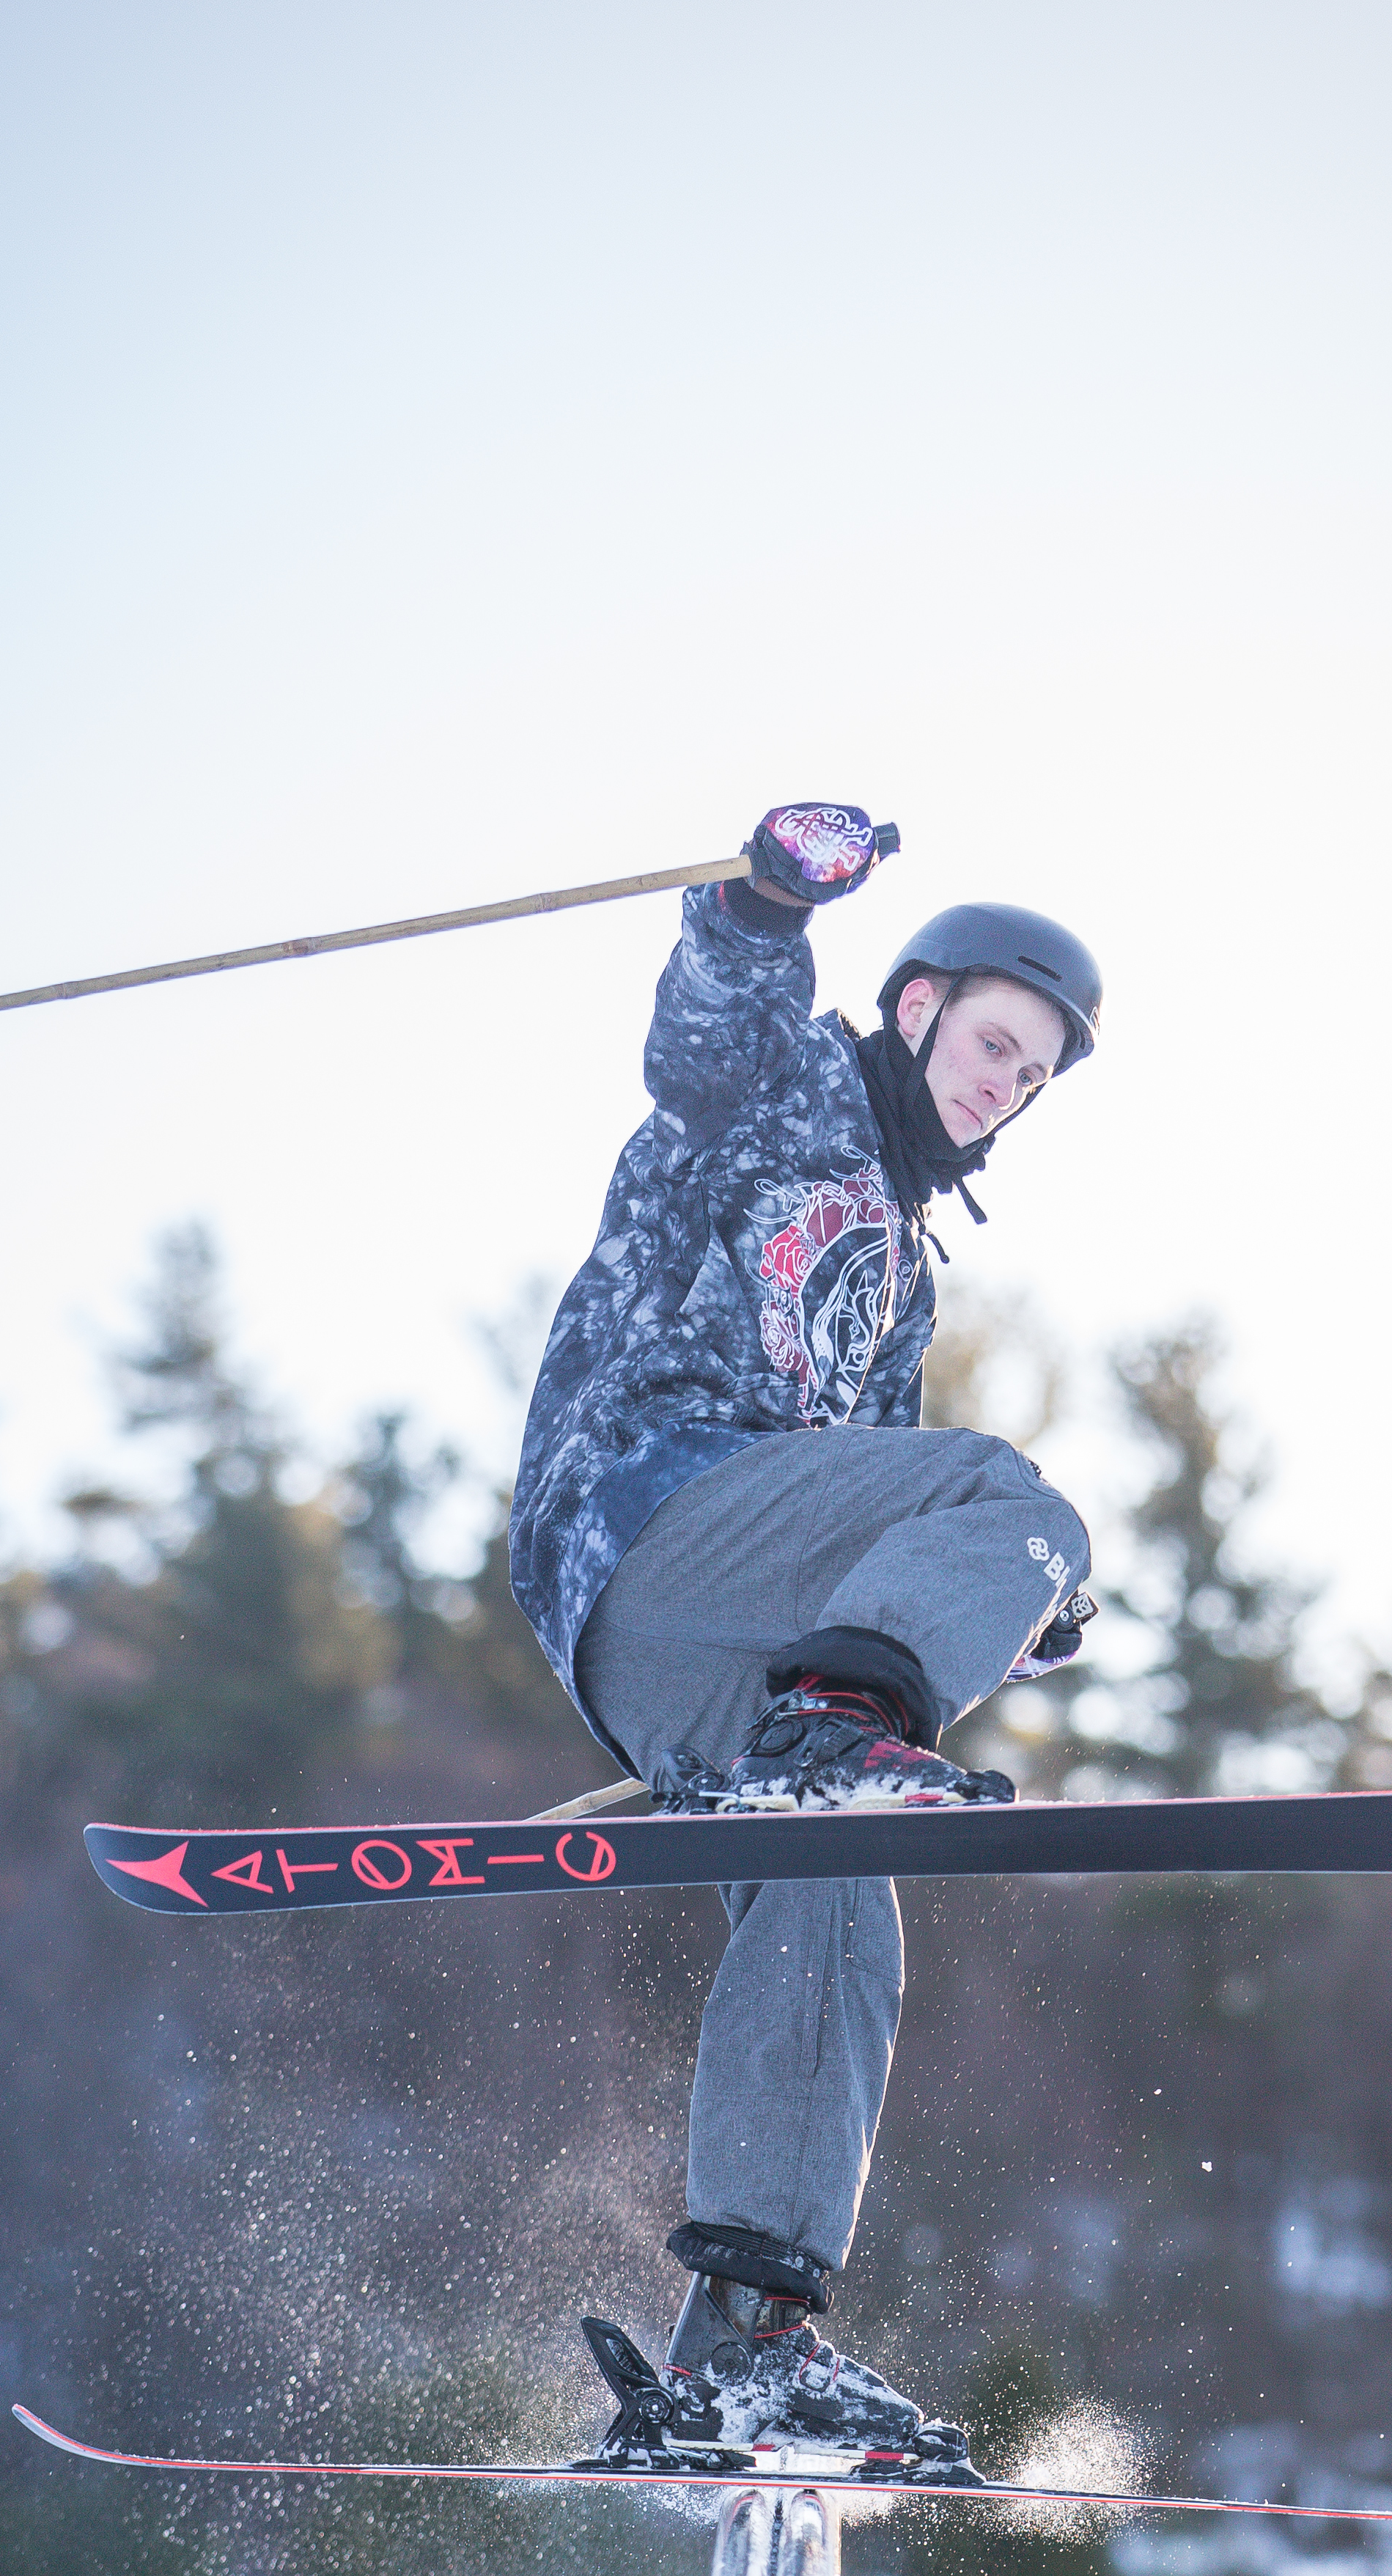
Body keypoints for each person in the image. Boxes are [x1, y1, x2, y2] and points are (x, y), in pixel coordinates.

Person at [509, 801, 1102, 2469]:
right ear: (915, 1007)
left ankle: (745, 2344)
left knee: (840, 1873)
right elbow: (708, 1034)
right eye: (992, 1043)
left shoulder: (904, 1288)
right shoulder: (792, 1091)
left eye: (1029, 1079)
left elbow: (885, 1500)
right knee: (1024, 1502)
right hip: (643, 1500)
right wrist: (762, 904)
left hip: (686, 1651)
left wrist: (1002, 1615)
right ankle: (843, 1712)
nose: (1001, 1087)